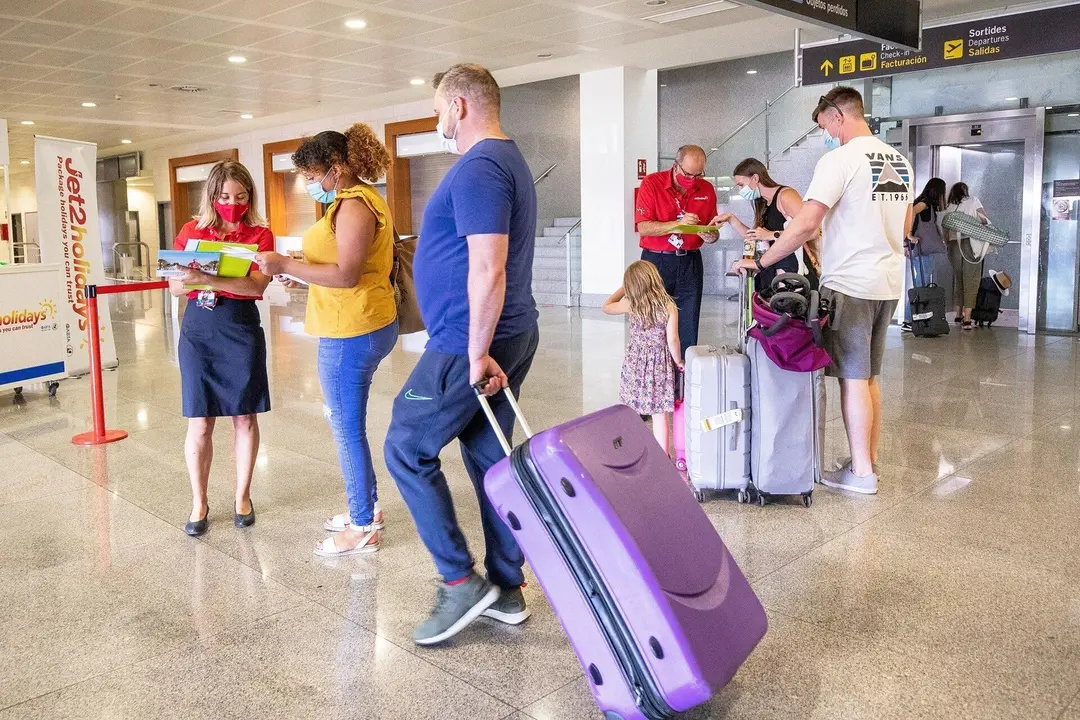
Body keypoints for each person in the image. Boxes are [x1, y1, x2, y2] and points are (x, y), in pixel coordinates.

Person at [383, 63, 539, 646]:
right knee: (485, 454)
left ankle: (459, 583)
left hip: (469, 341)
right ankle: (507, 588)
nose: (438, 119)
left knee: (405, 445)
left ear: (460, 106)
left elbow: (488, 265)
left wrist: (474, 352)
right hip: (503, 332)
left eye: (439, 108)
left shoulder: (479, 167)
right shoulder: (505, 159)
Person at [732, 87, 914, 496]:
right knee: (868, 378)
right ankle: (866, 458)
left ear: (837, 116)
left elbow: (806, 224)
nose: (826, 135)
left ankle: (862, 474)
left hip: (850, 281)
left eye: (824, 127)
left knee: (852, 377)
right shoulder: (899, 161)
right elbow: (904, 230)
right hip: (887, 282)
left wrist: (760, 262)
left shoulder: (840, 159)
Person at [254, 124, 398, 558]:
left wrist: (286, 263)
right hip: (359, 319)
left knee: (345, 427)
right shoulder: (361, 199)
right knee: (346, 423)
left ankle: (360, 527)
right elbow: (339, 263)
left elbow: (346, 274)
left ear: (337, 167)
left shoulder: (354, 206)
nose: (312, 184)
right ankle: (366, 508)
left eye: (315, 175)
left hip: (350, 328)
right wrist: (295, 267)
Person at [169, 161, 274, 536]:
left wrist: (209, 278)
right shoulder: (190, 232)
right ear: (212, 196)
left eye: (242, 196)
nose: (234, 203)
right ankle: (199, 500)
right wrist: (222, 281)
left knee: (245, 416)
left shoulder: (260, 235)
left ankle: (242, 495)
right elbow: (177, 287)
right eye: (226, 196)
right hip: (199, 329)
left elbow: (256, 288)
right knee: (200, 421)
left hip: (241, 329)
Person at [635, 145, 719, 351]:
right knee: (653, 321)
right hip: (656, 261)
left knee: (688, 321)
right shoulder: (652, 184)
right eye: (688, 174)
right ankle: (655, 373)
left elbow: (714, 230)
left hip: (690, 261)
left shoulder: (706, 189)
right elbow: (643, 227)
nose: (692, 180)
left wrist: (710, 236)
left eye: (698, 175)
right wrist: (676, 224)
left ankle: (685, 374)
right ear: (676, 165)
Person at [603, 261, 684, 455]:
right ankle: (663, 457)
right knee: (659, 415)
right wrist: (678, 361)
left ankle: (631, 452)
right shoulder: (668, 305)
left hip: (635, 363)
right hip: (659, 365)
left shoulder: (630, 303)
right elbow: (673, 339)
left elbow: (606, 306)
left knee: (631, 409)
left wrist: (622, 289)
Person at [712, 157, 819, 292]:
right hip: (769, 270)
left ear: (755, 178)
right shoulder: (762, 202)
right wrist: (731, 219)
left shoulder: (785, 196)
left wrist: (771, 235)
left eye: (741, 185)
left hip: (792, 271)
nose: (740, 190)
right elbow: (756, 237)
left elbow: (811, 231)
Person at [902, 178, 948, 331]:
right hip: (921, 249)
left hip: (923, 248)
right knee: (921, 282)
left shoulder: (928, 204)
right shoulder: (924, 203)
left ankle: (913, 318)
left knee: (922, 281)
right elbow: (911, 213)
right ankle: (909, 319)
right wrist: (908, 235)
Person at [944, 182, 990, 329]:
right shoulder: (973, 201)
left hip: (953, 244)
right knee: (971, 280)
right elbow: (984, 219)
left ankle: (958, 315)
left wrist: (947, 243)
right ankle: (968, 319)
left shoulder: (950, 206)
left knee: (959, 279)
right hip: (970, 244)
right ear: (966, 191)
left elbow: (945, 229)